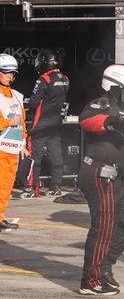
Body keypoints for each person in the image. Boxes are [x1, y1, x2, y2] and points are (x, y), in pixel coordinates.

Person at [76, 64, 124, 295]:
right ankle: (91, 280)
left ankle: (105, 265)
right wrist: (109, 122)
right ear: (116, 87)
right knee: (104, 226)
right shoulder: (103, 104)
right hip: (101, 173)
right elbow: (86, 119)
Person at [23, 48, 69, 197]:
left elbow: (34, 102)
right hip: (56, 123)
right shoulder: (65, 78)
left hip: (40, 123)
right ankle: (56, 186)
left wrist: (27, 105)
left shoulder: (44, 78)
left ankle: (31, 188)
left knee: (33, 155)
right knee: (56, 154)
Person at [0, 54, 27, 232]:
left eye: (12, 73)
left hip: (12, 149)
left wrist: (23, 143)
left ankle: (0, 215)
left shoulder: (17, 95)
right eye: (6, 72)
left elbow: (23, 121)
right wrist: (8, 122)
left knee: (6, 186)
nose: (10, 76)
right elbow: (12, 121)